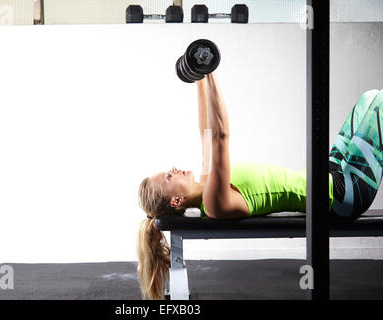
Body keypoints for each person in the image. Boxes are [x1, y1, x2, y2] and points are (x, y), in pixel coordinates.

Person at [137, 72, 383, 299]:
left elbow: (207, 131)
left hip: (329, 175)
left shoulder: (207, 181)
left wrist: (199, 78)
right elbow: (220, 135)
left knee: (370, 98)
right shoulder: (214, 201)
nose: (173, 169)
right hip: (341, 194)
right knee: (381, 102)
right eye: (169, 177)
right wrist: (211, 73)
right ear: (177, 201)